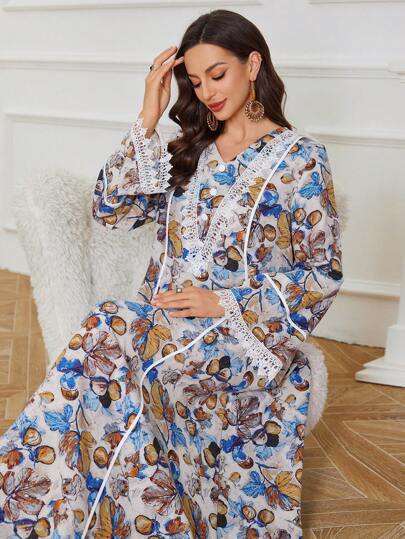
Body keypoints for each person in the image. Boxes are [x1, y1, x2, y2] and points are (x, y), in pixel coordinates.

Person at [0, 9, 344, 539]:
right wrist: (148, 115)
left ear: (253, 65)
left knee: (107, 328)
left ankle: (23, 506)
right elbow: (112, 212)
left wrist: (224, 302)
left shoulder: (302, 160)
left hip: (237, 338)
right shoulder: (189, 150)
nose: (207, 92)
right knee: (106, 345)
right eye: (197, 80)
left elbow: (322, 274)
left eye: (218, 74)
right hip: (156, 324)